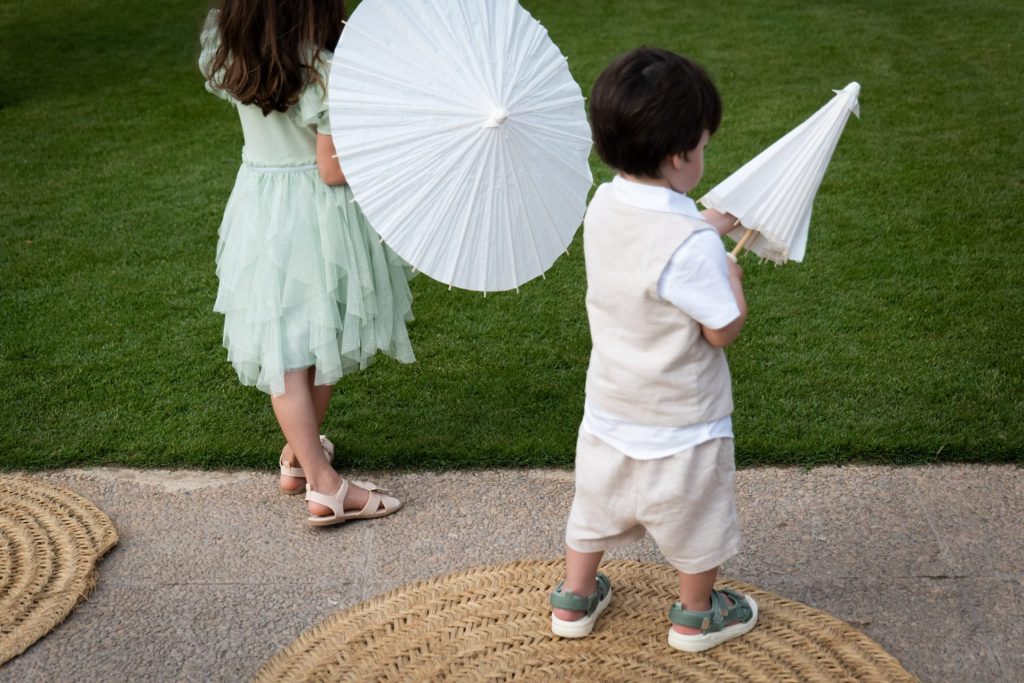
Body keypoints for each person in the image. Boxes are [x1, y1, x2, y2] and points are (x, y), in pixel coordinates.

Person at [549, 47, 758, 652]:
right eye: (703, 146)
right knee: (696, 521)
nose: (704, 155)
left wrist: (708, 222)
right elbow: (721, 329)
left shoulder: (604, 203)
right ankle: (696, 615)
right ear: (678, 156)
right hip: (683, 425)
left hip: (612, 407)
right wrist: (731, 277)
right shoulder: (693, 247)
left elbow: (653, 248)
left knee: (592, 509)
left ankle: (574, 598)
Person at [199, 0, 413, 526]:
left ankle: (300, 457)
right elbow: (331, 171)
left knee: (289, 344)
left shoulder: (232, 53)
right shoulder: (323, 72)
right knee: (314, 341)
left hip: (262, 205)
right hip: (318, 217)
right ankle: (326, 486)